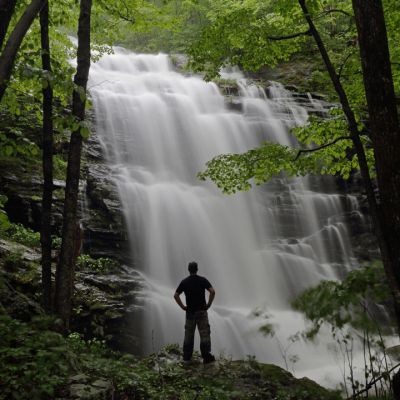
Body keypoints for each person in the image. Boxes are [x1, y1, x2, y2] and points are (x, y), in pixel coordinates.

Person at [174, 261, 216, 364]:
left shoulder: (184, 282)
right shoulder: (202, 280)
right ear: (197, 269)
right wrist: (209, 304)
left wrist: (183, 306)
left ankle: (187, 357)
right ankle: (206, 356)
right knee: (204, 334)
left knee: (189, 334)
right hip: (201, 311)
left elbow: (176, 295)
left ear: (188, 269)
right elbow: (212, 291)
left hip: (190, 313)